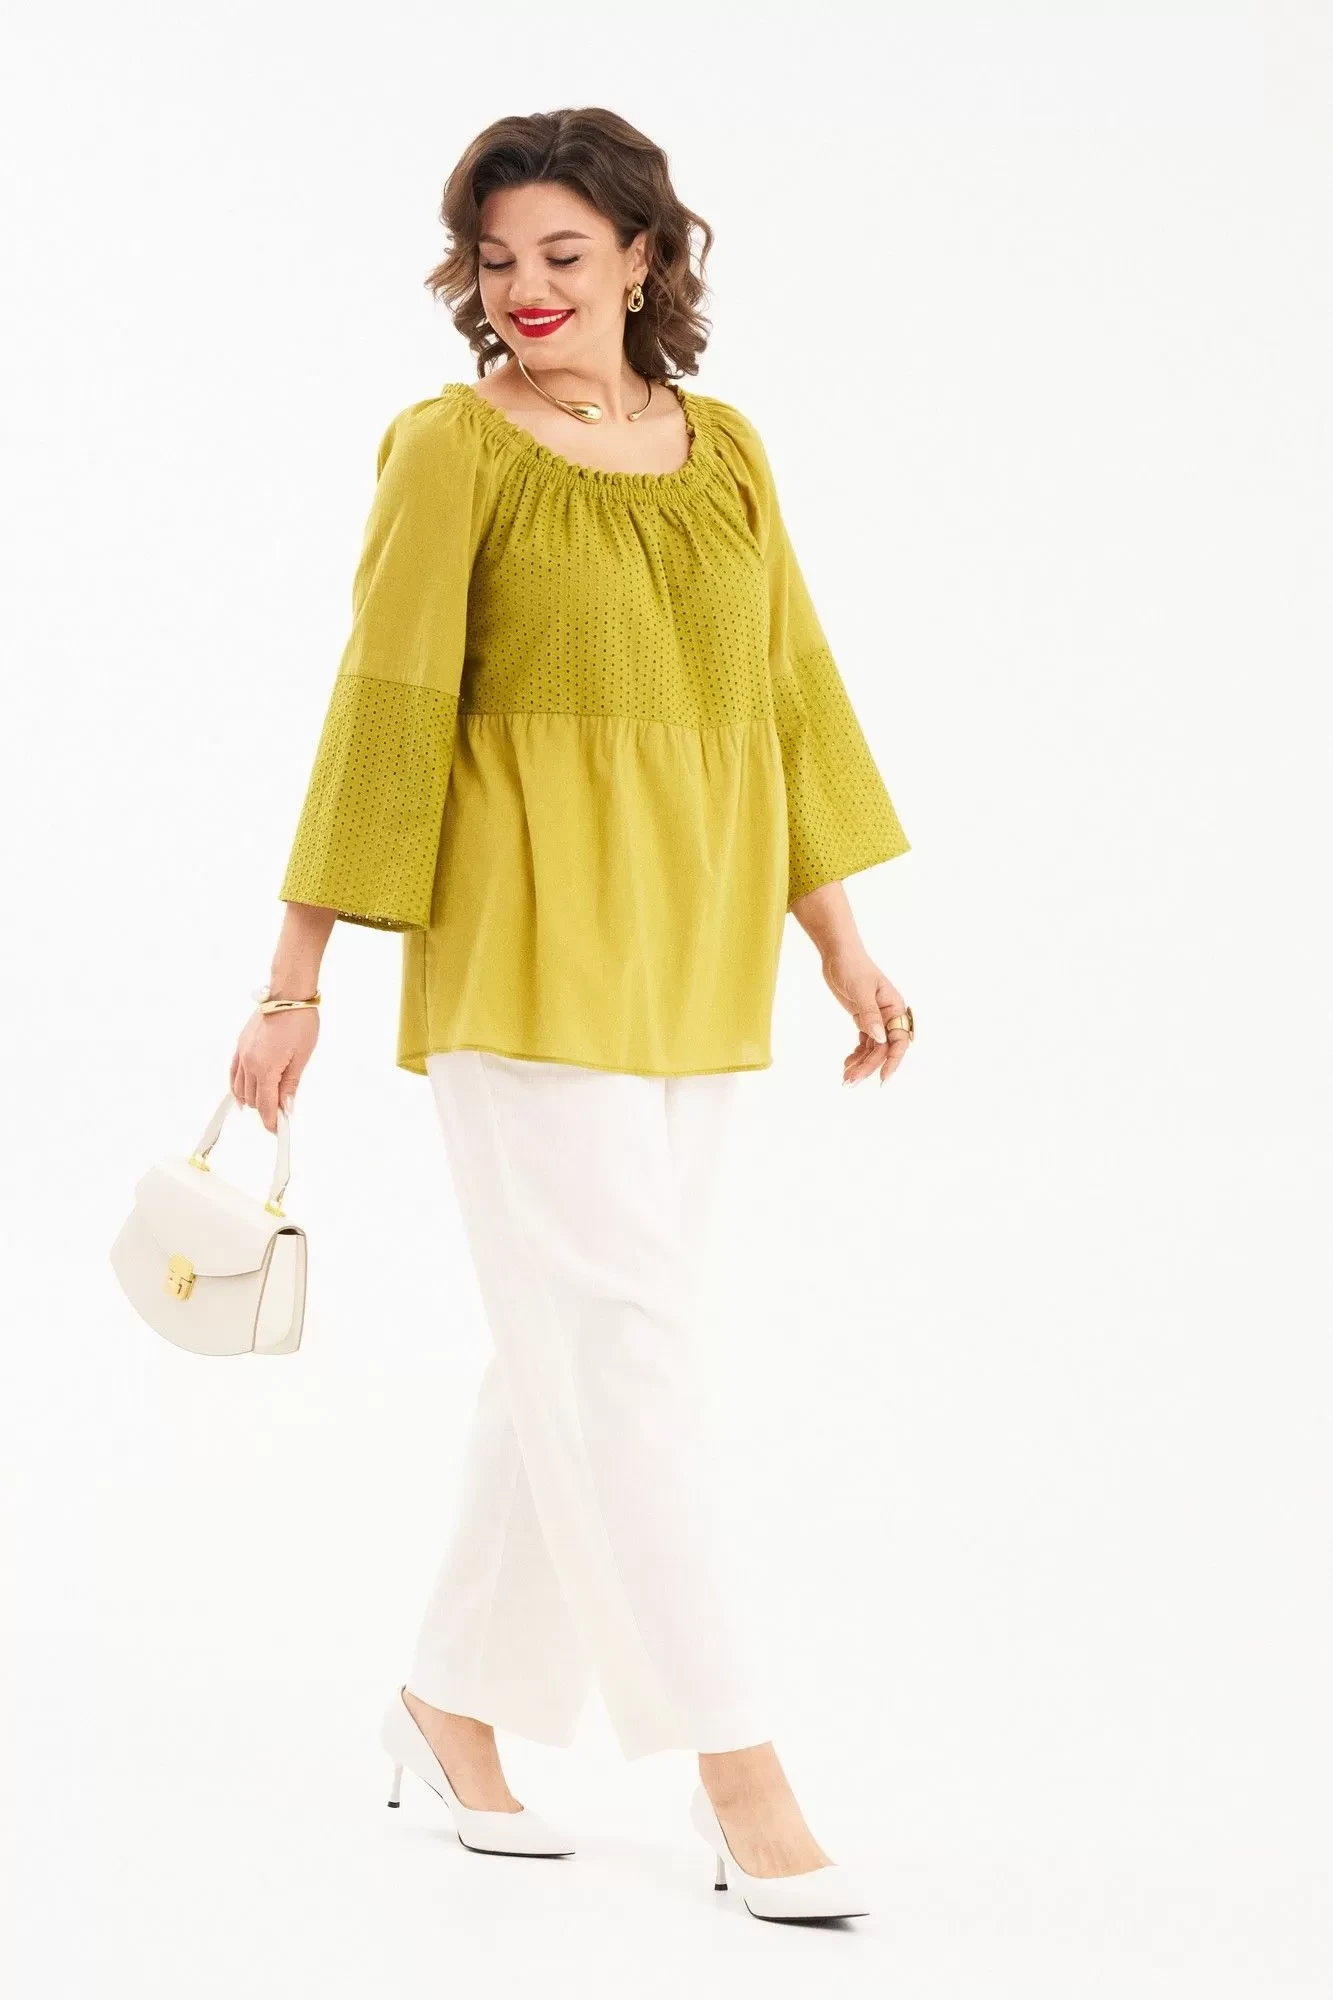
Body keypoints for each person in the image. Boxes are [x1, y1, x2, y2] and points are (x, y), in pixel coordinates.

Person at [230, 106, 913, 1923]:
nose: (525, 289)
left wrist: (840, 942)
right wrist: (295, 977)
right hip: (525, 946)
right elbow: (382, 709)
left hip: (697, 950)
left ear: (640, 258)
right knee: (626, 1350)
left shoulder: (729, 447)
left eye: (563, 253)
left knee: (586, 1345)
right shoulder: (451, 448)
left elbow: (789, 695)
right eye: (497, 258)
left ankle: (448, 1702)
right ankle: (740, 1770)